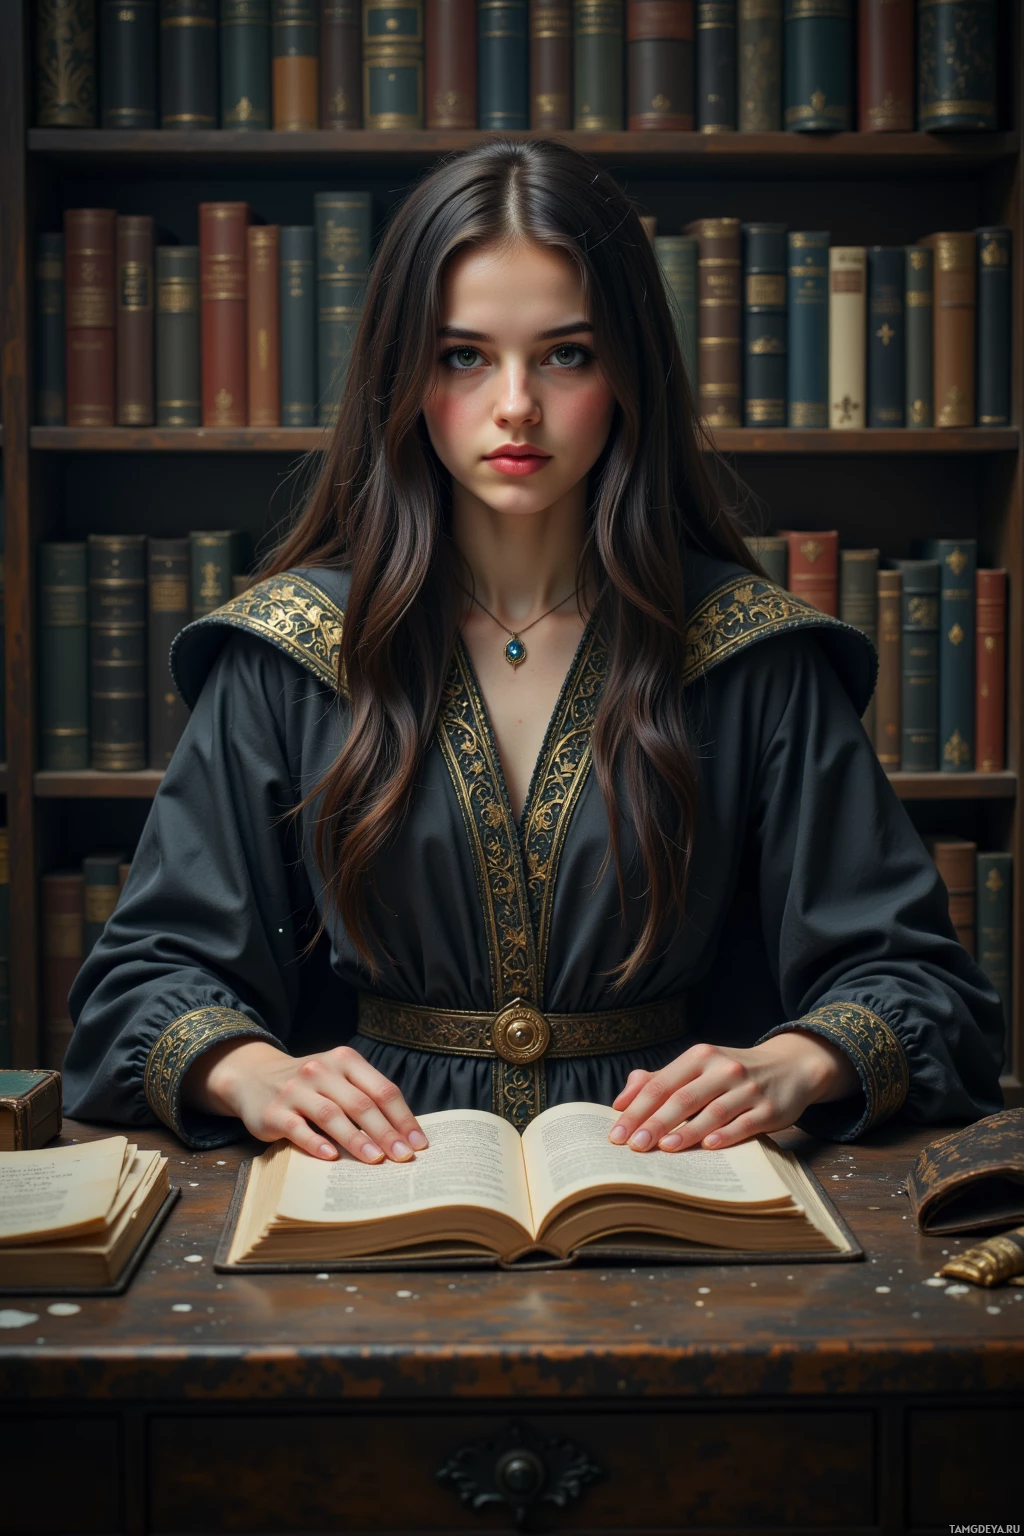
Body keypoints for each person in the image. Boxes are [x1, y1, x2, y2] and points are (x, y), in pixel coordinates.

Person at [63, 139, 1004, 1167]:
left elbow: (926, 989)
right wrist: (254, 1071)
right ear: (404, 374)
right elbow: (138, 985)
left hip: (667, 1176)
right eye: (464, 355)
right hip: (375, 1181)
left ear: (628, 371)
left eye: (565, 354)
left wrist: (798, 1060)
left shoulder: (750, 655)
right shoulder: (289, 653)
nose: (515, 404)